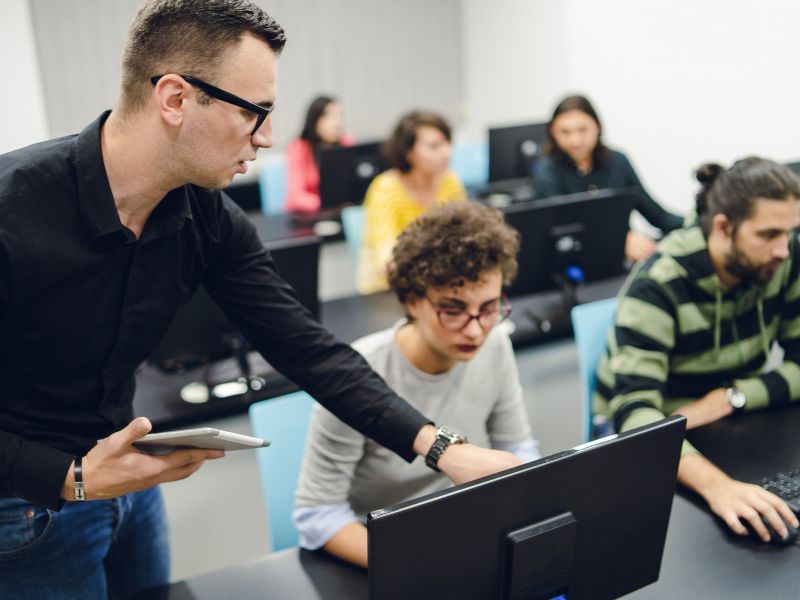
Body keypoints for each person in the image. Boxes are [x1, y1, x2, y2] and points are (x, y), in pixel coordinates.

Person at [0, 1, 519, 597]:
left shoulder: (206, 216)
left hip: (125, 484)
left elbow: (308, 349)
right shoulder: (12, 211)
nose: (268, 137)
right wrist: (68, 478)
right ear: (174, 98)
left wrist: (441, 447)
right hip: (22, 506)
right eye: (255, 113)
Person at [294, 202, 540, 567]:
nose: (475, 330)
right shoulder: (355, 378)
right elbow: (318, 516)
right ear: (412, 299)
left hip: (461, 534)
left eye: (489, 307)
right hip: (382, 548)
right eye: (453, 310)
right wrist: (412, 566)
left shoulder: (496, 344)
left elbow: (518, 448)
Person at [595, 157, 800, 543]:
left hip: (726, 422)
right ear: (723, 227)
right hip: (652, 427)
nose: (783, 251)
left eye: (789, 233)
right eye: (769, 234)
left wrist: (731, 397)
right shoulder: (658, 284)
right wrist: (717, 487)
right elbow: (634, 413)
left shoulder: (783, 262)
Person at [535, 94, 684, 263]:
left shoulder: (618, 162)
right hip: (577, 265)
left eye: (582, 130)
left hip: (623, 261)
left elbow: (657, 215)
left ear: (597, 128)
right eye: (565, 132)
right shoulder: (547, 173)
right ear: (553, 132)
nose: (575, 140)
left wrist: (700, 222)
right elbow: (569, 230)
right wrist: (620, 240)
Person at [356, 110, 466, 294]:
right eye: (434, 146)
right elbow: (388, 262)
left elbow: (463, 238)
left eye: (447, 142)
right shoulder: (386, 189)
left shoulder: (450, 182)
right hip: (388, 290)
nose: (447, 151)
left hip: (438, 285)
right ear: (408, 153)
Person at [284, 95, 355, 214]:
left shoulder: (346, 142)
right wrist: (328, 203)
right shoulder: (299, 147)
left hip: (340, 211)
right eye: (328, 116)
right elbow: (296, 196)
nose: (336, 123)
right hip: (309, 215)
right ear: (314, 119)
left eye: (339, 115)